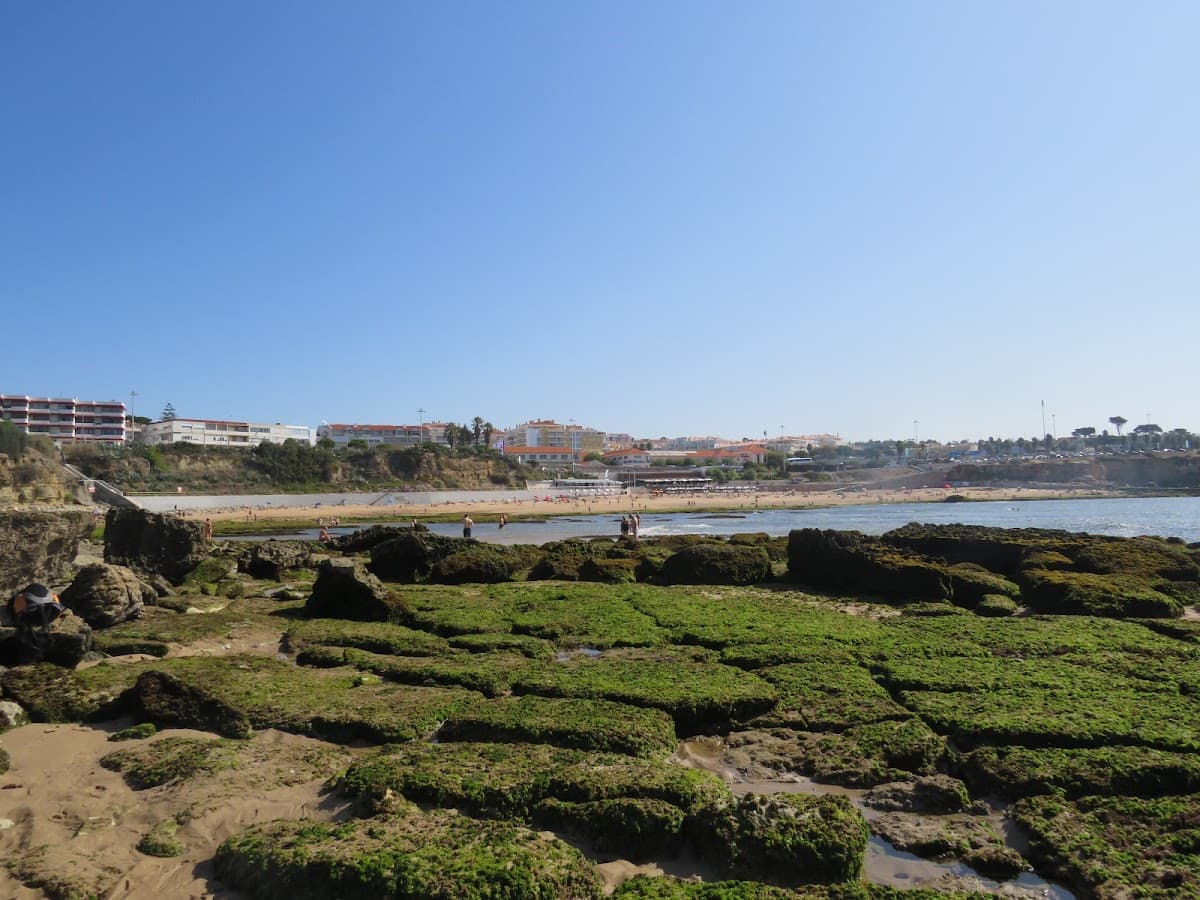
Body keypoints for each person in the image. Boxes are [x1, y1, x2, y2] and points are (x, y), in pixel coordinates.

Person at [8, 583, 65, 664]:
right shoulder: (52, 599)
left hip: (34, 613)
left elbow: (16, 612)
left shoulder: (20, 599)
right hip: (48, 611)